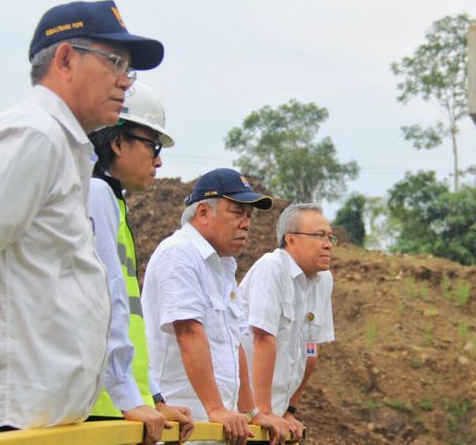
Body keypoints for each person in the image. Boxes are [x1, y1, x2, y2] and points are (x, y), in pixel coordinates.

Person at [0, 0, 163, 437]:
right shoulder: (34, 137)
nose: (125, 81)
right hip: (7, 419)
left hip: (39, 419)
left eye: (129, 68)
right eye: (114, 61)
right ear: (66, 59)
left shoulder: (65, 148)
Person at [142, 168, 290, 444]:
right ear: (203, 213)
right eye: (237, 212)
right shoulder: (179, 254)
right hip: (183, 425)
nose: (246, 223)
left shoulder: (222, 265)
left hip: (219, 424)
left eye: (249, 216)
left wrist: (249, 413)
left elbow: (234, 344)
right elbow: (188, 333)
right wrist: (215, 407)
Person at [87, 81, 194, 444]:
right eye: (154, 146)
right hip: (103, 405)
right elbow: (104, 304)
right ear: (117, 143)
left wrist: (153, 397)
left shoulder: (113, 203)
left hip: (119, 402)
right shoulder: (96, 195)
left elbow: (129, 322)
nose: (159, 160)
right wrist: (130, 398)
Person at [238, 203, 336, 440]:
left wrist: (290, 409)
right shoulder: (272, 269)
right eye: (319, 235)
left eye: (330, 237)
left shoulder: (323, 281)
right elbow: (263, 339)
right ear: (290, 240)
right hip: (243, 412)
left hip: (276, 414)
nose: (328, 244)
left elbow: (311, 350)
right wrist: (263, 411)